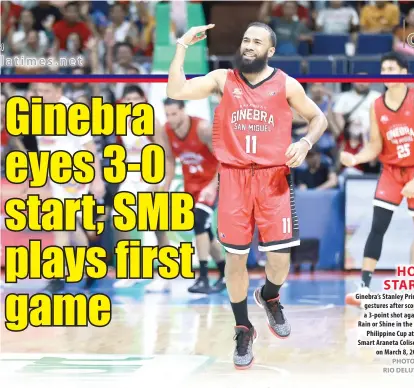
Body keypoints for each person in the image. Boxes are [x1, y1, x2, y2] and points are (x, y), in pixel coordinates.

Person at [167, 22, 327, 369]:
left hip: (273, 179)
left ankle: (269, 296)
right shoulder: (223, 79)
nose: (249, 45)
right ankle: (243, 327)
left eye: (257, 41)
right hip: (234, 179)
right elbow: (177, 89)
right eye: (245, 40)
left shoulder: (286, 83)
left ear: (270, 50)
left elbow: (318, 118)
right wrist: (182, 44)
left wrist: (304, 142)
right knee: (235, 260)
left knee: (280, 261)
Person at [341, 52, 414, 307]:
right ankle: (364, 287)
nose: (387, 71)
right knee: (377, 226)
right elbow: (375, 147)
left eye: (392, 67)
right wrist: (355, 159)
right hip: (391, 172)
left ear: (404, 72)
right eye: (384, 68)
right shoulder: (376, 105)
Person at [30, 83, 105, 293]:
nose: (42, 95)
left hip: (75, 175)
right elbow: (45, 148)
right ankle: (88, 266)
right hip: (56, 176)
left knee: (62, 224)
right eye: (39, 92)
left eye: (46, 91)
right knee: (70, 227)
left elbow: (90, 149)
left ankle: (58, 276)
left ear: (58, 92)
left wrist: (97, 180)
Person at [157, 98, 226, 294]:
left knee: (199, 221)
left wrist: (213, 186)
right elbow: (170, 159)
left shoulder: (203, 128)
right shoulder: (166, 130)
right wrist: (166, 184)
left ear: (183, 110)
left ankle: (203, 277)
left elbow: (224, 160)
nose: (170, 118)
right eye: (167, 114)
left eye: (174, 114)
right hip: (192, 185)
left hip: (214, 182)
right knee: (206, 231)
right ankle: (224, 274)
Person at [112, 85, 171, 289]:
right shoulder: (123, 123)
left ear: (143, 100)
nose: (131, 103)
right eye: (127, 99)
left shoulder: (152, 122)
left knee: (156, 226)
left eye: (135, 99)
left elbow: (164, 153)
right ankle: (131, 271)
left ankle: (165, 274)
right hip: (130, 178)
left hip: (151, 176)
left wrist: (158, 181)